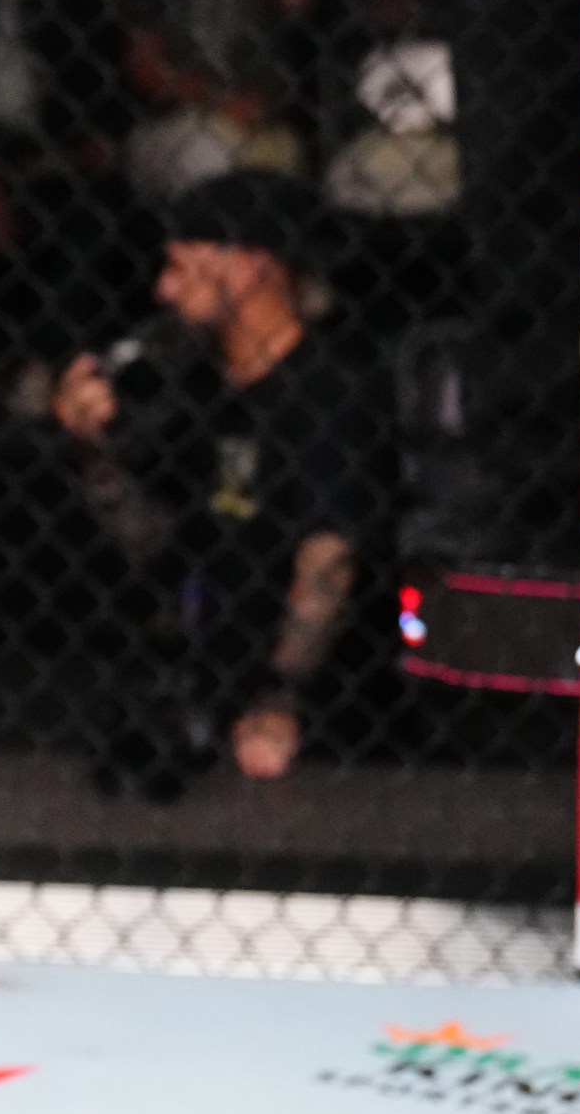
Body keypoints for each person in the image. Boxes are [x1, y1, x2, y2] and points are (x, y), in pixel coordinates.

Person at [53, 170, 381, 792]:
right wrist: (94, 452)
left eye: (182, 266)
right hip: (210, 685)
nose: (164, 288)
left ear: (248, 266)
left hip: (322, 710)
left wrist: (280, 696)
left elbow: (329, 562)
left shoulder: (330, 389)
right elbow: (154, 541)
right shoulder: (202, 388)